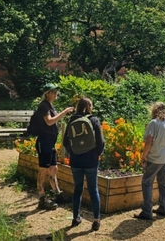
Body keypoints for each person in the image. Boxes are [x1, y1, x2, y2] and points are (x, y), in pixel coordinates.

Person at [63, 97, 105, 231]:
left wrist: (74, 152)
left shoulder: (72, 120)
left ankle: (76, 218)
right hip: (91, 161)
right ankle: (96, 220)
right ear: (89, 107)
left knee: (77, 189)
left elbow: (65, 142)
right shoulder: (94, 120)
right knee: (93, 190)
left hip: (76, 161)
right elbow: (101, 142)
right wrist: (97, 153)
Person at [134, 102, 165, 220]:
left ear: (154, 110)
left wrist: (143, 157)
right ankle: (164, 208)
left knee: (147, 182)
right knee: (163, 182)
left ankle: (147, 211)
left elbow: (148, 142)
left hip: (155, 157)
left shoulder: (154, 123)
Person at [36, 83, 74, 210]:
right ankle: (42, 198)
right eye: (53, 91)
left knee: (54, 169)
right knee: (43, 171)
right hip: (44, 142)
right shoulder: (43, 106)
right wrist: (64, 112)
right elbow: (50, 121)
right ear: (47, 93)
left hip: (50, 143)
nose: (56, 93)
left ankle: (57, 194)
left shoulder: (50, 106)